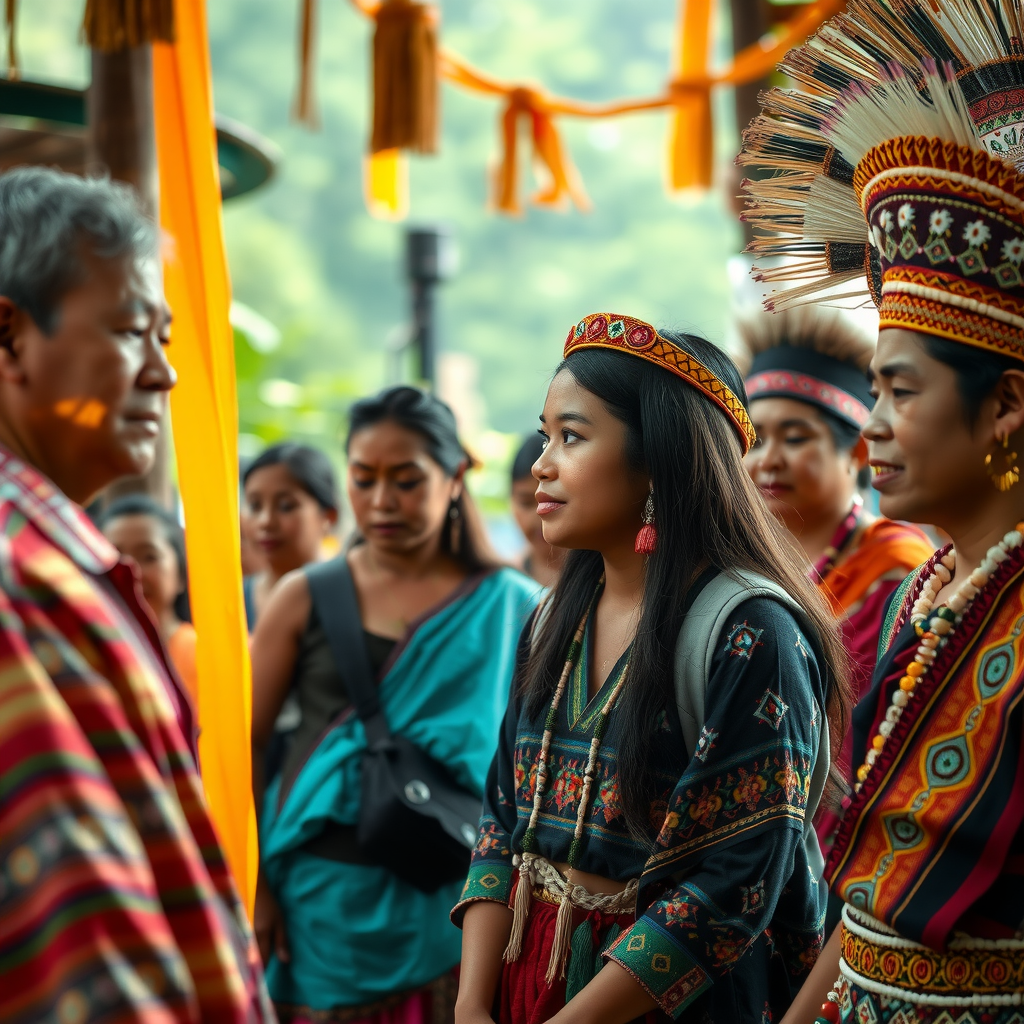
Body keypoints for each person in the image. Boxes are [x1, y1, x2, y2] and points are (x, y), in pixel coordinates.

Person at [742, 2, 1024, 1019]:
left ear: (1002, 405)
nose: (876, 431)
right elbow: (867, 910)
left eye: (900, 393)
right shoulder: (925, 594)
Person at [454, 313, 850, 1024]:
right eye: (546, 435)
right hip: (521, 982)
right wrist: (472, 1003)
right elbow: (501, 818)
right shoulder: (552, 619)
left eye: (571, 437)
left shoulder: (752, 636)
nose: (541, 463)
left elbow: (730, 887)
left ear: (658, 462)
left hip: (665, 1003)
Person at [0, 167, 272, 1018]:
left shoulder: (52, 553)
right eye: (129, 332)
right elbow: (76, 935)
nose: (165, 375)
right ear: (9, 338)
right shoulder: (19, 574)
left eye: (165, 337)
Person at [251, 385, 539, 1024]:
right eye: (364, 478)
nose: (382, 501)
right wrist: (257, 887)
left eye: (407, 480)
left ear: (455, 476)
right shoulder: (304, 597)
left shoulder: (516, 606)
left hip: (454, 898)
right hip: (313, 906)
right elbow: (241, 742)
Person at [739, 307, 933, 851]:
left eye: (795, 438)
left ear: (857, 450)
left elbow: (859, 746)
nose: (767, 460)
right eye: (754, 440)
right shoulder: (748, 563)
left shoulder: (896, 568)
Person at [98, 494, 199, 706]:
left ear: (181, 574)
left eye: (149, 556)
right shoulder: (86, 661)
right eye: (114, 556)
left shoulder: (214, 657)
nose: (131, 571)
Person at [242, 441, 339, 629]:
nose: (266, 521)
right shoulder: (232, 603)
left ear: (329, 515)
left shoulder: (351, 597)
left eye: (286, 506)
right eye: (255, 506)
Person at [510, 433, 565, 588]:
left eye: (553, 501)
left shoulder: (609, 585)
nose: (540, 513)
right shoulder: (502, 589)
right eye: (526, 503)